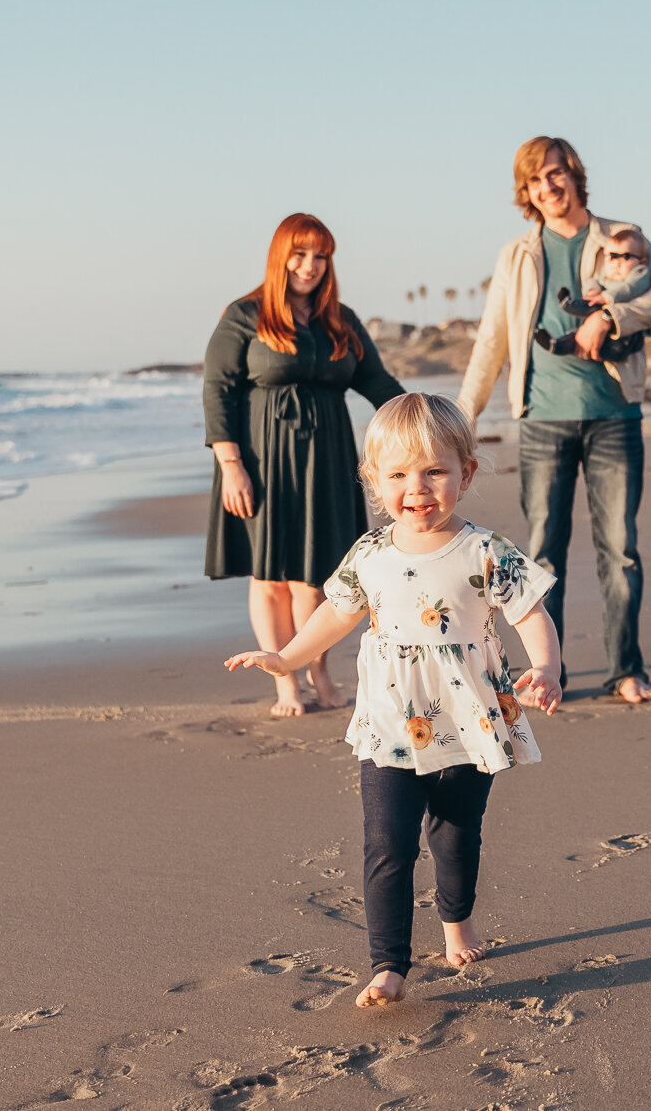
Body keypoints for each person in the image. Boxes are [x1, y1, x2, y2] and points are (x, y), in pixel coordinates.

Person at [226, 393, 562, 1007]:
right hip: (390, 722)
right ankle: (389, 963)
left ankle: (456, 921)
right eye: (399, 475)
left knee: (456, 834)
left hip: (468, 720)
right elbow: (335, 614)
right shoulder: (372, 553)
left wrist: (546, 665)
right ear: (374, 480)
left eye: (435, 471)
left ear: (466, 472)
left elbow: (532, 614)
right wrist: (287, 659)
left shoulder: (487, 550)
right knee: (387, 840)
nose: (418, 488)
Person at [458, 136, 651, 704]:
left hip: (613, 413)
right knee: (542, 555)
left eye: (555, 174)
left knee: (621, 548)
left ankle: (627, 671)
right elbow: (492, 340)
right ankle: (544, 676)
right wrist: (463, 417)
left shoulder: (620, 237)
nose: (548, 187)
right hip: (541, 419)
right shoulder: (516, 255)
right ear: (527, 192)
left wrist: (610, 315)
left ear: (574, 175)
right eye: (536, 181)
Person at [204, 213, 406, 716]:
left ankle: (320, 672)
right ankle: (285, 684)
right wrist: (230, 463)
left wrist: (422, 419)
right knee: (271, 576)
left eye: (320, 256)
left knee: (316, 575)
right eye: (300, 254)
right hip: (261, 458)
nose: (310, 266)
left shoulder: (341, 319)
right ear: (280, 256)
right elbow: (218, 388)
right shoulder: (245, 314)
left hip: (327, 457)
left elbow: (377, 383)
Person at [532, 229, 651, 361]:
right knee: (579, 327)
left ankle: (569, 305)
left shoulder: (640, 273)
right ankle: (556, 343)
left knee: (596, 306)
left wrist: (607, 298)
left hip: (623, 340)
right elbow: (594, 281)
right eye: (612, 257)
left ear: (643, 261)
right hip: (598, 321)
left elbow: (631, 288)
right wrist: (592, 291)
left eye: (626, 257)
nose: (617, 263)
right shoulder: (606, 279)